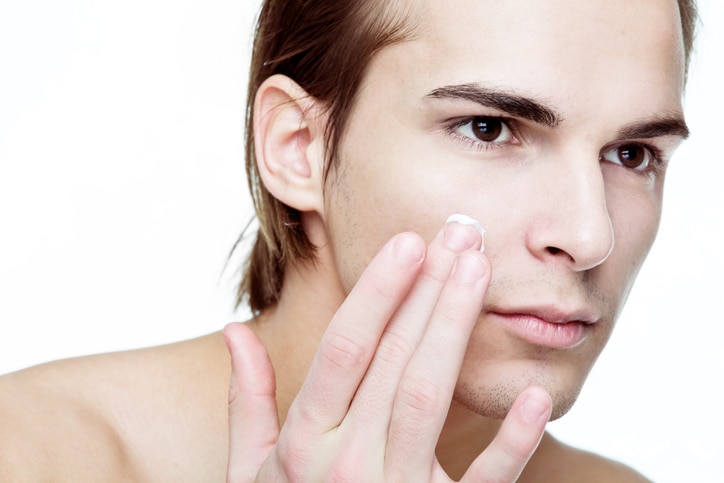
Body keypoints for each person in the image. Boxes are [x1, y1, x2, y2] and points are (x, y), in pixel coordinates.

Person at [0, 0, 697, 481]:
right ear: (297, 147)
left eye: (633, 154)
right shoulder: (35, 454)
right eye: (489, 128)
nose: (588, 235)